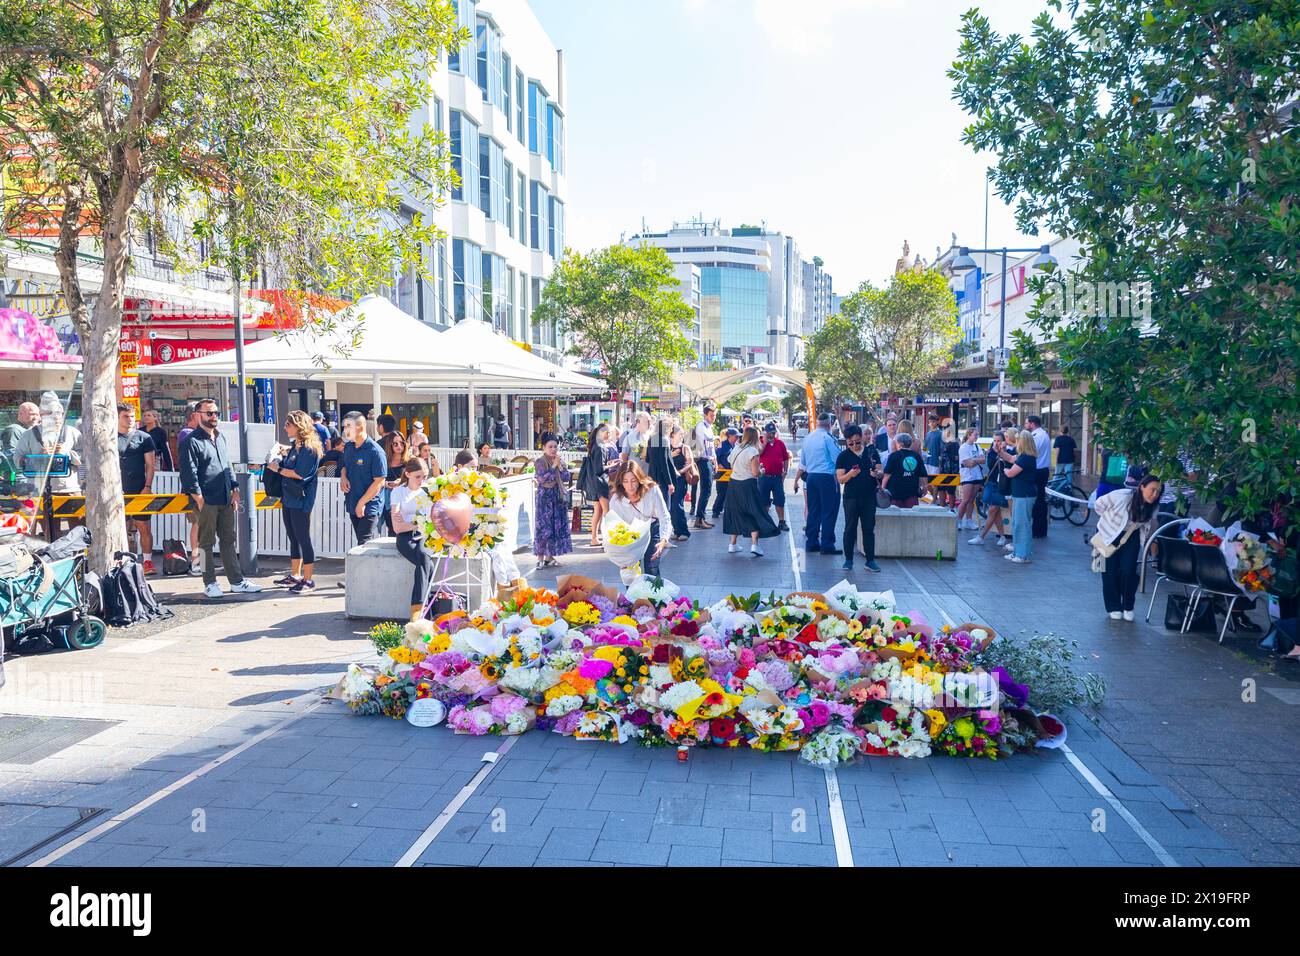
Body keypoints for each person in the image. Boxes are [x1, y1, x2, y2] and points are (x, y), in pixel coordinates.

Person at [179, 398, 262, 598]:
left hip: (225, 496)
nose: (214, 416)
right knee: (205, 542)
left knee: (228, 540)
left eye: (216, 413)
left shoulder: (220, 437)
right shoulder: (191, 441)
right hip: (206, 499)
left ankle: (236, 581)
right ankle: (209, 583)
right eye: (209, 413)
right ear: (197, 416)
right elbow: (188, 472)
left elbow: (227, 465)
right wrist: (197, 497)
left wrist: (234, 488)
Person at [1093, 474, 1163, 621]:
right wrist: (1109, 520)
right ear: (1142, 487)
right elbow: (1098, 504)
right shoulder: (1122, 496)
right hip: (1108, 535)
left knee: (1128, 570)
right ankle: (1113, 606)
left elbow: (1148, 524)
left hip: (1132, 536)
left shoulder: (1152, 506)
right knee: (1109, 571)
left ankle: (1128, 605)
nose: (1155, 494)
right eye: (1152, 490)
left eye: (1158, 491)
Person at [266, 410, 321, 593]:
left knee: (303, 537)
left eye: (288, 424)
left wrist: (278, 469)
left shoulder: (309, 449)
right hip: (288, 497)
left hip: (301, 499)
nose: (285, 428)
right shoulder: (296, 446)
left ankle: (309, 579)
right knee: (293, 537)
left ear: (299, 426)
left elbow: (300, 474)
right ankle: (296, 575)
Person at [723, 426, 779, 556]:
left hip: (733, 484)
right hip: (747, 485)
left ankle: (733, 544)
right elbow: (755, 473)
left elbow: (729, 461)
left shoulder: (737, 448)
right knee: (754, 512)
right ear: (754, 437)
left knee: (735, 512)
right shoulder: (753, 451)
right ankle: (754, 545)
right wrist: (762, 471)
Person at [609, 460, 670, 576]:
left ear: (639, 479)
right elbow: (614, 526)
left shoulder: (652, 490)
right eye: (625, 481)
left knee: (652, 568)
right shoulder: (616, 499)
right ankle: (633, 594)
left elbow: (664, 517)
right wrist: (619, 552)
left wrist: (663, 540)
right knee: (629, 570)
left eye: (633, 480)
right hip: (630, 533)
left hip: (651, 528)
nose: (630, 486)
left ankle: (653, 593)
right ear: (621, 482)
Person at [836, 424, 884, 573]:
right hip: (851, 497)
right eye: (851, 443)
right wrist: (851, 474)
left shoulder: (871, 452)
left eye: (858, 442)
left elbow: (881, 471)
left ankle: (870, 560)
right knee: (850, 528)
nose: (855, 445)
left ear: (862, 437)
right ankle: (848, 559)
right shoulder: (843, 456)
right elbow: (840, 479)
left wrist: (877, 474)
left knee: (868, 528)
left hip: (869, 497)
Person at [116, 404, 158, 574]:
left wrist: (147, 486)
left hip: (139, 488)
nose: (130, 419)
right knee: (120, 528)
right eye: (126, 416)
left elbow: (150, 465)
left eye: (132, 416)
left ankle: (147, 562)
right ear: (117, 417)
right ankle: (122, 561)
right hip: (116, 490)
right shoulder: (110, 437)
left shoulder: (144, 437)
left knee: (144, 526)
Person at [14, 393, 83, 494]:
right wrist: (38, 457)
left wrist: (67, 454)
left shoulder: (73, 433)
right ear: (42, 415)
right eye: (51, 413)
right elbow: (17, 460)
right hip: (37, 491)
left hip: (69, 489)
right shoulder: (28, 435)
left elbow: (86, 458)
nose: (57, 417)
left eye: (59, 413)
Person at [390, 458, 431, 620]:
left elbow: (431, 520)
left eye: (425, 476)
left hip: (424, 534)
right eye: (418, 476)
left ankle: (417, 609)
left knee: (423, 555)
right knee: (428, 564)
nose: (422, 480)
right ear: (407, 474)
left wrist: (410, 521)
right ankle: (424, 608)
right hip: (405, 537)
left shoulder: (428, 491)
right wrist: (420, 520)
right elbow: (398, 527)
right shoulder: (398, 492)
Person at [339, 410, 387, 544]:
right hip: (352, 501)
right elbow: (344, 465)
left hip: (369, 504)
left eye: (348, 426)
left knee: (364, 542)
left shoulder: (375, 451)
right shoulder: (348, 447)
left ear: (359, 427)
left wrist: (362, 503)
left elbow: (379, 482)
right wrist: (343, 477)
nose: (344, 430)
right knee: (362, 542)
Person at [799, 412, 842, 554]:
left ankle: (811, 542)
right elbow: (837, 459)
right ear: (829, 424)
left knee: (814, 511)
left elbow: (803, 462)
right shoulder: (828, 438)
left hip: (811, 477)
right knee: (829, 511)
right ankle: (827, 544)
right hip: (827, 477)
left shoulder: (808, 438)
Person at [998, 431, 1040, 564]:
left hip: (1024, 495)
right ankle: (1018, 551)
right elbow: (1010, 458)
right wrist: (999, 451)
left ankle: (1022, 554)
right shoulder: (1024, 456)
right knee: (1017, 524)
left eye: (1017, 440)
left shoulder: (1026, 457)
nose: (1015, 442)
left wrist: (1004, 471)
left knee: (1022, 524)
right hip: (1021, 494)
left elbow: (1010, 473)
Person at [532, 432, 572, 569]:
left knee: (555, 528)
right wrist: (554, 466)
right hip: (545, 500)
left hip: (557, 498)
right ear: (544, 447)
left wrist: (560, 467)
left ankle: (549, 557)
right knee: (544, 528)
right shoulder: (540, 462)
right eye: (550, 447)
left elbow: (566, 478)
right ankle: (540, 558)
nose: (553, 449)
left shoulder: (560, 460)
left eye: (555, 446)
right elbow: (542, 479)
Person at [970, 433, 1009, 547]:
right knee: (995, 512)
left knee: (992, 510)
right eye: (995, 440)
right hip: (992, 483)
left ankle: (981, 536)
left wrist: (1003, 452)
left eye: (999, 441)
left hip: (1001, 485)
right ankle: (1002, 536)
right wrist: (996, 452)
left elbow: (1008, 464)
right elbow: (991, 465)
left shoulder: (1008, 452)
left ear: (1003, 441)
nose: (997, 443)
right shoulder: (991, 452)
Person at [579, 424, 614, 547]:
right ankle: (608, 538)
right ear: (602, 432)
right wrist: (610, 465)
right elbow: (600, 468)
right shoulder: (600, 447)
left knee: (597, 511)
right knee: (606, 511)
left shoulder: (594, 446)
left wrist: (607, 463)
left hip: (593, 483)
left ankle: (594, 538)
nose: (609, 435)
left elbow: (596, 465)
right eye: (608, 432)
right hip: (600, 483)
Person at [757, 421, 791, 531]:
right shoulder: (761, 442)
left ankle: (781, 521)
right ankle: (764, 522)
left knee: (780, 499)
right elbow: (759, 453)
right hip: (764, 477)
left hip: (777, 477)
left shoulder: (780, 443)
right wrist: (765, 443)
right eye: (770, 432)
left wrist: (785, 470)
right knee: (764, 500)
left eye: (773, 432)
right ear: (765, 432)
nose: (772, 434)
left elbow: (785, 458)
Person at [376, 413, 407, 535]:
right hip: (386, 502)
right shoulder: (384, 461)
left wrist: (401, 481)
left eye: (402, 443)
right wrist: (386, 483)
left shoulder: (409, 462)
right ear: (390, 445)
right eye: (395, 444)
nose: (399, 446)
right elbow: (375, 476)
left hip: (404, 503)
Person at [880, 432, 928, 508]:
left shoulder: (893, 456)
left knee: (896, 517)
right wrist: (925, 488)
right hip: (912, 492)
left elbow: (887, 475)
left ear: (900, 443)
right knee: (911, 516)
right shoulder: (916, 456)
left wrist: (882, 489)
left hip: (895, 492)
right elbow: (923, 475)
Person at [691, 405, 718, 530]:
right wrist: (716, 437)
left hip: (708, 460)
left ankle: (701, 518)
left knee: (707, 490)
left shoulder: (709, 427)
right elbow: (707, 439)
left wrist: (715, 461)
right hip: (702, 460)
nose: (714, 418)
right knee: (705, 490)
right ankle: (699, 519)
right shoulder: (701, 426)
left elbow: (711, 447)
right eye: (712, 415)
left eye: (714, 415)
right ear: (705, 415)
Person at [1026, 415, 1051, 538]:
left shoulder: (1037, 436)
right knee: (1040, 500)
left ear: (1032, 424)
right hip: (1043, 470)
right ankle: (1040, 529)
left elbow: (1031, 452)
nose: (1026, 425)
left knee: (1037, 501)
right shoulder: (1043, 434)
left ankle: (1038, 530)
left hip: (1038, 471)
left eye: (1027, 423)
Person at [955, 427, 985, 531]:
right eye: (975, 435)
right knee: (966, 499)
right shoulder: (963, 448)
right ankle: (958, 519)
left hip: (977, 475)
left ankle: (969, 520)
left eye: (977, 435)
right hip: (967, 476)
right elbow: (969, 463)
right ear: (969, 435)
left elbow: (983, 460)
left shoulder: (977, 446)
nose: (977, 437)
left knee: (972, 500)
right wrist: (976, 460)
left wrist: (973, 460)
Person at [712, 426, 739, 521]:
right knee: (722, 493)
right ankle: (716, 510)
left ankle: (728, 510)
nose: (737, 438)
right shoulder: (722, 445)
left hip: (731, 472)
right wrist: (718, 464)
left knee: (731, 493)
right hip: (722, 473)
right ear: (730, 436)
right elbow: (715, 455)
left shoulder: (735, 446)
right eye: (736, 436)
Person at [140, 408, 173, 472]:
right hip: (141, 461)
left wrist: (170, 469)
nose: (146, 417)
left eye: (149, 415)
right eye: (144, 416)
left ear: (155, 418)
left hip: (155, 461)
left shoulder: (160, 432)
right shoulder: (140, 431)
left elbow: (165, 450)